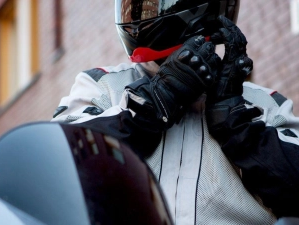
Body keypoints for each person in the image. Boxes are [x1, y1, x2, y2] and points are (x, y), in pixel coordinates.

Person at [52, 0, 299, 224]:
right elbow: (58, 165)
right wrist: (154, 100)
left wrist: (236, 123)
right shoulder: (101, 85)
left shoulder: (267, 104)